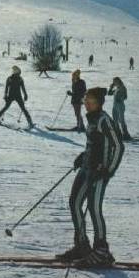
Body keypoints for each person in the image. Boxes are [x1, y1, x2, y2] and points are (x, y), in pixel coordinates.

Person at [56, 87, 125, 268]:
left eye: (91, 101)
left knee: (94, 209)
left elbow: (118, 147)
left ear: (99, 103)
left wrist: (108, 170)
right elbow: (95, 144)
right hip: (86, 169)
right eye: (86, 100)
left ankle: (102, 252)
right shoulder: (92, 118)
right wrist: (83, 156)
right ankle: (82, 246)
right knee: (74, 203)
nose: (87, 104)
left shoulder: (104, 120)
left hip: (99, 172)